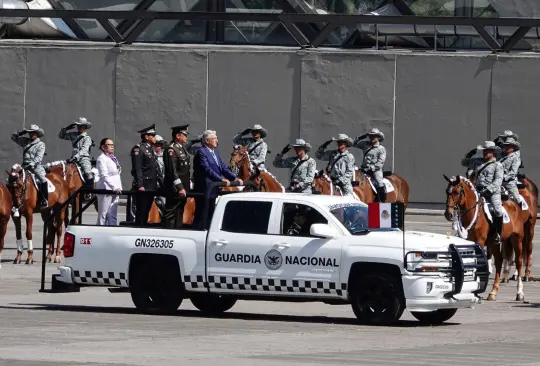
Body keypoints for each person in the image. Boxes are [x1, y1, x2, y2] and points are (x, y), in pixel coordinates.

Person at [192, 130, 242, 229]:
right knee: (202, 213)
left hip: (213, 189)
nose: (217, 140)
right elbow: (206, 169)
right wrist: (220, 180)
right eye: (214, 138)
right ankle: (198, 231)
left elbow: (223, 167)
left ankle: (208, 230)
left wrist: (234, 178)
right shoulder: (201, 152)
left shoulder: (215, 153)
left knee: (211, 213)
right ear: (207, 140)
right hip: (205, 188)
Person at [464, 141, 504, 245]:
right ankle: (463, 229)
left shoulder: (497, 165)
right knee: (465, 206)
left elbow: (498, 181)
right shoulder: (476, 161)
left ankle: (497, 234)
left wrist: (487, 190)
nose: (485, 153)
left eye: (488, 151)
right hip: (477, 189)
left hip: (492, 192)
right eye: (484, 151)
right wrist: (469, 154)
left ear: (493, 152)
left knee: (498, 210)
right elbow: (463, 163)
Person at [11, 125, 48, 209]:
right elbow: (13, 138)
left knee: (42, 179)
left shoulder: (41, 144)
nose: (31, 134)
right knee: (14, 179)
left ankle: (45, 199)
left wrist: (31, 164)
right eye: (30, 132)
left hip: (35, 167)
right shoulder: (26, 141)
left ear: (37, 133)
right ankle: (15, 200)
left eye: (33, 132)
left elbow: (38, 158)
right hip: (24, 166)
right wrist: (20, 133)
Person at [163, 124, 192, 229]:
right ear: (178, 136)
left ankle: (178, 232)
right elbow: (172, 171)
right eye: (184, 134)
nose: (186, 137)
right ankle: (169, 234)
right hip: (175, 189)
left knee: (180, 211)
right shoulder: (171, 150)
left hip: (183, 187)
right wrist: (180, 187)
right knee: (171, 213)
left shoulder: (181, 148)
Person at [58, 117, 95, 201]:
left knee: (88, 173)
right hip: (73, 158)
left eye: (81, 126)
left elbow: (84, 150)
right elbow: (61, 136)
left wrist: (76, 157)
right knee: (64, 170)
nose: (79, 127)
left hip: (83, 158)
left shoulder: (87, 138)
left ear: (85, 127)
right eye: (78, 126)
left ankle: (88, 192)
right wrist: (66, 129)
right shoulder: (73, 135)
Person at [130, 124, 158, 225]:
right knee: (141, 211)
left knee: (146, 211)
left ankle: (143, 227)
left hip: (151, 185)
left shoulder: (150, 148)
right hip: (144, 185)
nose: (155, 137)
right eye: (152, 135)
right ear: (146, 136)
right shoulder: (138, 149)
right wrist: (140, 184)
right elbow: (138, 168)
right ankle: (138, 230)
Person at [315, 133, 356, 198]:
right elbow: (318, 156)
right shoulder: (332, 153)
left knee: (348, 198)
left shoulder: (349, 157)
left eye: (342, 143)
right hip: (330, 179)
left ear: (346, 144)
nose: (340, 144)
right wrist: (325, 144)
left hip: (343, 182)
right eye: (339, 142)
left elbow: (349, 172)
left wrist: (340, 181)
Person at [353, 128, 387, 202]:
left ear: (378, 137)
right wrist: (360, 137)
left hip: (375, 170)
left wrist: (371, 168)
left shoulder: (381, 149)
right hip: (363, 169)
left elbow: (380, 163)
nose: (372, 138)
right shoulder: (365, 144)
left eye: (374, 136)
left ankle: (382, 200)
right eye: (371, 136)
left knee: (379, 182)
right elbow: (354, 144)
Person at [95, 138, 122, 226]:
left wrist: (117, 187)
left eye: (112, 145)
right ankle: (99, 232)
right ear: (103, 147)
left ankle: (112, 231)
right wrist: (114, 187)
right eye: (109, 145)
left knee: (112, 214)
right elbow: (104, 175)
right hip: (106, 189)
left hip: (116, 190)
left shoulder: (113, 158)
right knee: (103, 214)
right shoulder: (101, 159)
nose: (112, 146)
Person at [500, 138, 524, 207]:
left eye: (509, 146)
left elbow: (513, 172)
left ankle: (521, 209)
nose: (506, 147)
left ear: (513, 147)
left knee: (516, 198)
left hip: (508, 182)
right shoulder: (501, 156)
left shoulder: (516, 158)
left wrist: (503, 177)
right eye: (506, 145)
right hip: (497, 181)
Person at [154, 135, 166, 214]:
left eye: (160, 145)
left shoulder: (165, 156)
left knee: (163, 204)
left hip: (162, 184)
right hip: (152, 184)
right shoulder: (150, 155)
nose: (158, 147)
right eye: (157, 145)